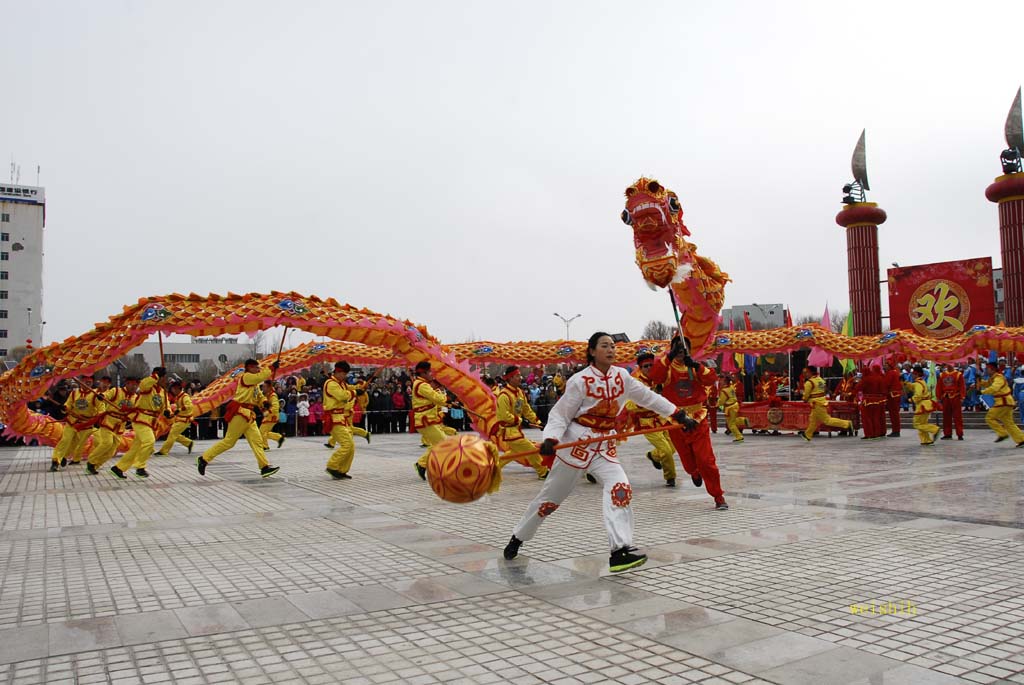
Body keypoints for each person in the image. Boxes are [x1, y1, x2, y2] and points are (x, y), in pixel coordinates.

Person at [504, 332, 695, 573]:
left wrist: (678, 414)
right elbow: (560, 415)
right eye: (604, 346)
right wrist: (551, 439)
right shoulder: (579, 381)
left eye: (613, 346)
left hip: (604, 447)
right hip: (575, 447)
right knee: (549, 501)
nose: (611, 350)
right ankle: (518, 537)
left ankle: (619, 550)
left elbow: (648, 397)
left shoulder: (622, 377)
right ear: (592, 351)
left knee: (620, 488)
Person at [647, 336, 729, 510]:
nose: (681, 353)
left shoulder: (695, 367)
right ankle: (694, 472)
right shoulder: (667, 368)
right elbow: (655, 376)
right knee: (688, 460)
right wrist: (669, 357)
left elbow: (711, 378)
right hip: (676, 419)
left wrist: (696, 366)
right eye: (678, 349)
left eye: (684, 349)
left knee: (706, 460)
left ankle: (718, 496)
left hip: (697, 419)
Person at [197, 359, 281, 478]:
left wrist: (264, 402)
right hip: (240, 413)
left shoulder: (254, 383)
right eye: (256, 367)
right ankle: (204, 458)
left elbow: (259, 396)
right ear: (249, 368)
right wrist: (271, 369)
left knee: (257, 441)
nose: (258, 369)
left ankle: (264, 466)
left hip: (248, 414)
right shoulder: (246, 377)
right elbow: (260, 377)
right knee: (229, 442)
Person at [112, 367, 170, 479]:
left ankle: (119, 467)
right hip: (141, 419)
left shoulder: (163, 392)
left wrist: (168, 412)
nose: (165, 380)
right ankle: (140, 467)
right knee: (149, 441)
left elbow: (165, 406)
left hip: (151, 421)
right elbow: (143, 385)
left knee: (136, 448)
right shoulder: (148, 386)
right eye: (163, 377)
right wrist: (155, 375)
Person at [630, 352, 679, 485]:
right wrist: (648, 401)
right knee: (666, 450)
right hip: (647, 421)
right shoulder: (634, 382)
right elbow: (630, 404)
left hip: (662, 418)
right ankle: (670, 477)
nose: (649, 368)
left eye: (652, 365)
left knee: (673, 447)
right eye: (646, 366)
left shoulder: (659, 378)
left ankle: (653, 456)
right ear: (640, 367)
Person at [493, 366, 549, 479]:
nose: (520, 378)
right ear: (510, 378)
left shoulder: (520, 392)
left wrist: (538, 422)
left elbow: (526, 409)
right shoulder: (504, 395)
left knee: (513, 454)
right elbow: (503, 416)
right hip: (509, 432)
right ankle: (543, 472)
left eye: (519, 375)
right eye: (517, 376)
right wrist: (520, 421)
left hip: (516, 430)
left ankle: (491, 469)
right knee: (531, 449)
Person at [412, 361, 457, 480]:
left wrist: (449, 403)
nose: (431, 374)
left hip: (429, 419)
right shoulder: (422, 385)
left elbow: (436, 400)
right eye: (429, 372)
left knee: (438, 444)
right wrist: (447, 399)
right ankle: (427, 465)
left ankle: (422, 464)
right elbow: (435, 397)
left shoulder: (422, 384)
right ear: (424, 373)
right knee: (443, 443)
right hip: (425, 420)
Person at [87, 376, 138, 474]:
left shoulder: (136, 398)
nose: (134, 387)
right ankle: (91, 461)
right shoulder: (116, 391)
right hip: (108, 422)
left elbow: (135, 412)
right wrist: (102, 396)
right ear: (127, 384)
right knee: (107, 443)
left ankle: (95, 465)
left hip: (120, 426)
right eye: (132, 384)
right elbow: (106, 395)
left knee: (112, 451)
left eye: (136, 385)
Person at [50, 375, 100, 471]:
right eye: (85, 381)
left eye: (89, 382)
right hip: (72, 421)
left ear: (92, 383)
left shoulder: (96, 394)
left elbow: (101, 410)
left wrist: (98, 417)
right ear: (81, 382)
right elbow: (68, 405)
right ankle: (55, 461)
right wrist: (64, 408)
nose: (87, 383)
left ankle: (64, 456)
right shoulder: (74, 393)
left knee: (76, 444)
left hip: (85, 424)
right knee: (65, 440)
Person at [323, 361, 360, 479]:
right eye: (344, 374)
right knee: (347, 444)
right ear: (338, 372)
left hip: (341, 417)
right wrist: (355, 393)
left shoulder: (341, 383)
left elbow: (350, 388)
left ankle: (341, 469)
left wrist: (362, 385)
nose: (345, 376)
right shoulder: (331, 384)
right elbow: (343, 396)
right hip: (333, 418)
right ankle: (332, 466)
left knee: (351, 445)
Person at [801, 366, 853, 441]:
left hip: (816, 403)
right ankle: (808, 434)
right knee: (813, 420)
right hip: (821, 401)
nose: (805, 374)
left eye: (806, 372)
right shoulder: (820, 380)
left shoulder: (809, 383)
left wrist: (805, 399)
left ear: (811, 372)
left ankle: (847, 423)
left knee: (827, 420)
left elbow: (806, 395)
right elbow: (823, 390)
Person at [980, 360, 1024, 446]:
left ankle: (1002, 433)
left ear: (992, 369)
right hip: (1005, 402)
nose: (986, 370)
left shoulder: (998, 378)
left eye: (988, 369)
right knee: (1008, 423)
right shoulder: (993, 378)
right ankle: (1021, 439)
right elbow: (986, 384)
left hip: (1003, 402)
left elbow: (994, 388)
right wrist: (979, 381)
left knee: (989, 418)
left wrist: (982, 392)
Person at [909, 365, 940, 446]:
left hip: (922, 405)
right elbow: (915, 387)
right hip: (926, 404)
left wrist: (911, 399)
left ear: (916, 374)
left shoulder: (917, 384)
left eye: (913, 374)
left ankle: (935, 429)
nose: (912, 375)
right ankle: (926, 440)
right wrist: (907, 385)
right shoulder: (922, 382)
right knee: (922, 423)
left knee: (917, 424)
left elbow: (918, 395)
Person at [717, 371, 748, 443]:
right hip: (735, 405)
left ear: (725, 382)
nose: (720, 382)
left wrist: (716, 405)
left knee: (731, 424)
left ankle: (739, 436)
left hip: (730, 407)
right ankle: (742, 420)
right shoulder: (731, 387)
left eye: (721, 380)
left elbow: (721, 401)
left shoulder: (724, 390)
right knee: (732, 421)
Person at [938, 363, 966, 440]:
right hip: (945, 397)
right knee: (946, 416)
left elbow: (962, 386)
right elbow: (939, 386)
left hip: (955, 396)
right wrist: (938, 396)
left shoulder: (958, 374)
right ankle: (947, 433)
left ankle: (960, 434)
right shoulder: (942, 374)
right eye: (948, 364)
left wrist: (962, 396)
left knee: (957, 416)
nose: (949, 365)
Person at [859, 365, 887, 440]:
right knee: (877, 417)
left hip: (868, 400)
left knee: (867, 417)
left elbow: (859, 387)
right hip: (880, 399)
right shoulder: (880, 377)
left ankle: (869, 433)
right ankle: (879, 432)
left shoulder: (866, 379)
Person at [258, 380, 285, 450]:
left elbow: (275, 407)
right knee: (264, 432)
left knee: (262, 431)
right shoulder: (266, 395)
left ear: (268, 387)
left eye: (264, 386)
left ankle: (265, 446)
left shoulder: (273, 395)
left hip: (272, 416)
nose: (262, 388)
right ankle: (279, 438)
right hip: (269, 416)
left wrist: (268, 412)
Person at [884, 361, 904, 436]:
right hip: (896, 395)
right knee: (895, 414)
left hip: (892, 396)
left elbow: (886, 384)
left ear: (890, 366)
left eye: (886, 365)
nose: (884, 367)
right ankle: (896, 430)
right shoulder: (895, 372)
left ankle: (896, 431)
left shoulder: (890, 373)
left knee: (894, 414)